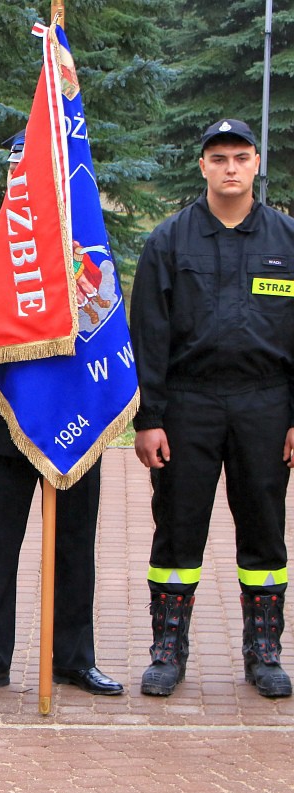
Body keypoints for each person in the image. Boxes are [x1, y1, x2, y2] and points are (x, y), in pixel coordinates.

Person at [0, 132, 123, 702]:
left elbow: (106, 317)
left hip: (73, 415)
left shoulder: (82, 241)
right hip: (3, 419)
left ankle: (73, 658)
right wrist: (20, 346)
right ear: (11, 173)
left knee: (75, 543)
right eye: (23, 166)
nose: (32, 177)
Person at [131, 118, 294, 699]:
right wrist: (149, 417)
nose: (230, 167)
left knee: (264, 529)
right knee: (177, 528)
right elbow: (148, 334)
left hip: (265, 403)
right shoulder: (169, 241)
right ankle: (168, 652)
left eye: (240, 157)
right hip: (188, 404)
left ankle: (264, 651)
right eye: (218, 157)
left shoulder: (286, 240)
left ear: (256, 163)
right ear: (202, 165)